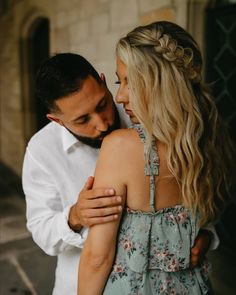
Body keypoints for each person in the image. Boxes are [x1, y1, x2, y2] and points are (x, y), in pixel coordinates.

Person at [23, 53, 217, 295]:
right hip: (78, 286)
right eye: (83, 119)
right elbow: (41, 231)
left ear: (104, 83)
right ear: (57, 120)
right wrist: (75, 216)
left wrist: (205, 233)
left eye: (102, 104)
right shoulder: (41, 151)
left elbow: (189, 191)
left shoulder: (144, 118)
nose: (102, 124)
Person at [77, 21, 234, 294]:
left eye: (130, 82)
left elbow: (97, 257)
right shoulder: (211, 137)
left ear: (163, 84)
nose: (120, 95)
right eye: (119, 81)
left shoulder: (120, 146)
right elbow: (204, 219)